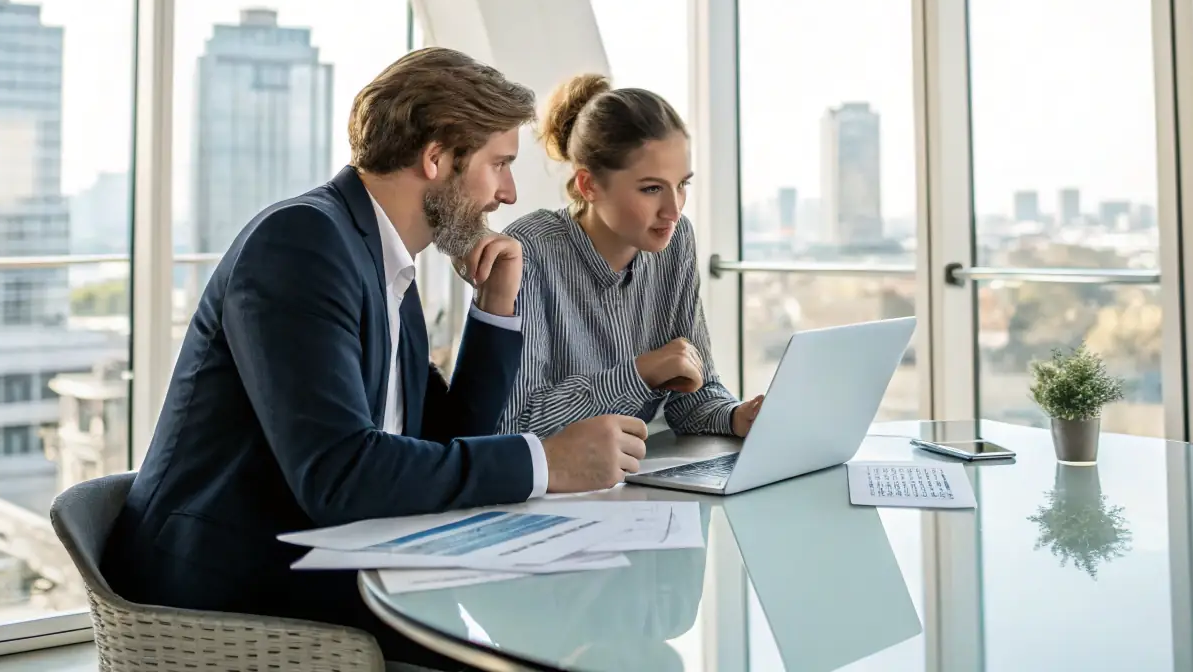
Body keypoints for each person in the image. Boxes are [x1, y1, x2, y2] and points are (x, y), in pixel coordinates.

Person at [101, 49, 648, 668]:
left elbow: (445, 440)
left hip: (332, 551)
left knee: (555, 620)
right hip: (226, 588)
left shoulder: (387, 268)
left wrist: (497, 309)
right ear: (437, 157)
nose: (508, 193)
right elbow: (338, 474)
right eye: (499, 164)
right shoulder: (302, 243)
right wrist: (546, 461)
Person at [498, 74, 763, 440]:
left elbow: (691, 397)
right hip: (557, 490)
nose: (673, 210)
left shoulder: (676, 240)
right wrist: (639, 373)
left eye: (682, 184)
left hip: (636, 478)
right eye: (651, 188)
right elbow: (516, 423)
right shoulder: (530, 250)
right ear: (588, 185)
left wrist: (737, 416)